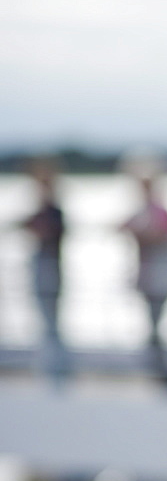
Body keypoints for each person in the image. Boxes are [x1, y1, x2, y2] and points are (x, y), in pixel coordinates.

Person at [121, 174, 167, 388]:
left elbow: (159, 234)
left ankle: (164, 372)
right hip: (148, 279)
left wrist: (139, 234)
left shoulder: (160, 212)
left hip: (160, 279)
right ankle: (161, 371)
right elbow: (125, 226)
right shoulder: (143, 211)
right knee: (153, 326)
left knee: (156, 326)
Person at [22, 157, 69, 382]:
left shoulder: (53, 211)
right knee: (48, 320)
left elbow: (49, 231)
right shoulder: (44, 210)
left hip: (50, 269)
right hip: (45, 268)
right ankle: (53, 366)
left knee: (51, 320)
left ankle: (57, 368)